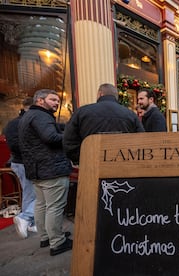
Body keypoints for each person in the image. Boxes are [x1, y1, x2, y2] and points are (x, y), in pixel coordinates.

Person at [18, 89, 73, 256]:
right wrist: (71, 137)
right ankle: (57, 242)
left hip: (37, 170)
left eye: (58, 100)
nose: (57, 103)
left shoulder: (29, 116)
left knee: (42, 205)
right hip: (51, 169)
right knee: (54, 207)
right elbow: (51, 137)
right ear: (40, 101)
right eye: (53, 100)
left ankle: (46, 237)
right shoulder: (41, 116)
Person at [63, 83, 145, 164]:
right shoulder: (130, 114)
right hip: (122, 165)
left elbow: (69, 141)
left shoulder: (81, 112)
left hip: (90, 164)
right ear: (116, 96)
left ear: (100, 94)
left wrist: (81, 159)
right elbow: (141, 140)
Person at [3, 97, 37, 239]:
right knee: (38, 193)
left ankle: (29, 222)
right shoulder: (27, 122)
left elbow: (13, 145)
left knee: (29, 193)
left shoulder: (12, 123)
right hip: (25, 161)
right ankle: (25, 217)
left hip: (17, 161)